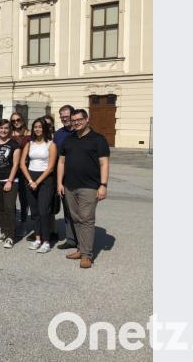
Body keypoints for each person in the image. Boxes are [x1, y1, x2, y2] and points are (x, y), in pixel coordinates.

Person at [56, 109, 110, 269]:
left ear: (87, 119)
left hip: (89, 186)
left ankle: (87, 255)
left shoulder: (98, 139)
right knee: (76, 218)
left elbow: (104, 163)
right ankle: (81, 249)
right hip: (70, 186)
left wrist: (103, 185)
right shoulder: (69, 139)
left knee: (86, 219)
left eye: (79, 119)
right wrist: (59, 183)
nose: (76, 122)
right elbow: (61, 162)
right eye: (74, 120)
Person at [20, 118, 58, 253]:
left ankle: (46, 241)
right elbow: (22, 164)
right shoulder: (29, 144)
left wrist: (37, 181)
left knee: (44, 211)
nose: (37, 129)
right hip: (30, 178)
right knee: (35, 212)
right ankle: (37, 239)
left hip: (45, 179)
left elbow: (51, 167)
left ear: (45, 129)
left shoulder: (51, 144)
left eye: (40, 127)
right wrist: (30, 180)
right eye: (35, 127)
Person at [0, 119, 21, 248]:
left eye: (6, 128)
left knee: (9, 207)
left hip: (10, 180)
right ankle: (4, 232)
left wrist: (10, 181)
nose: (3, 130)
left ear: (9, 129)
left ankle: (11, 236)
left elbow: (16, 164)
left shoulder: (14, 145)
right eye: (1, 128)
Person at [54, 104, 78, 250]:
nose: (64, 119)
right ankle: (71, 239)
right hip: (64, 177)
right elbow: (57, 158)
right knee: (68, 210)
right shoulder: (58, 134)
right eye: (62, 117)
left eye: (66, 116)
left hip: (81, 178)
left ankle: (83, 240)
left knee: (82, 212)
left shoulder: (81, 132)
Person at [10, 112, 32, 238]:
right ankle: (12, 223)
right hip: (12, 169)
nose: (16, 122)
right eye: (13, 121)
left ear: (22, 120)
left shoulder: (29, 133)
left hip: (26, 169)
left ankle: (23, 223)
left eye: (18, 119)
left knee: (24, 198)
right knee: (11, 198)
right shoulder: (9, 133)